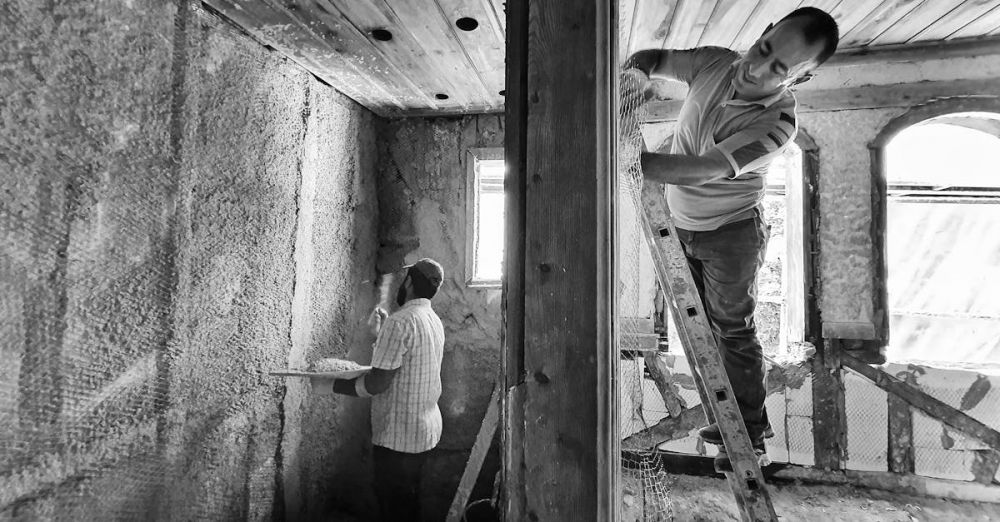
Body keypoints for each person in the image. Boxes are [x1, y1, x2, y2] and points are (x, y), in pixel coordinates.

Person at [623, 8, 839, 469]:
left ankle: (748, 436)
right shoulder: (714, 62)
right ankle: (724, 420)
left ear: (800, 77)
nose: (758, 68)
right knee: (692, 327)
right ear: (761, 34)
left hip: (731, 235)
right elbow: (652, 56)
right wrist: (635, 78)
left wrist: (619, 154)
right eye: (764, 49)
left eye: (779, 68)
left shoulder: (779, 126)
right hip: (681, 225)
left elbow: (702, 169)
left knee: (731, 329)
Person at [325, 258, 446, 522]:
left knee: (393, 507)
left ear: (410, 282)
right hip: (424, 432)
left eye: (405, 279)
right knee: (409, 502)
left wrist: (331, 383)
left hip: (399, 439)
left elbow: (377, 384)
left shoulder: (401, 322)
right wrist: (383, 334)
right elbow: (406, 362)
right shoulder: (432, 319)